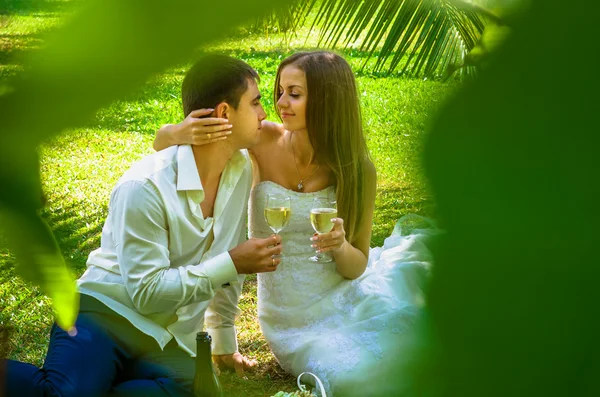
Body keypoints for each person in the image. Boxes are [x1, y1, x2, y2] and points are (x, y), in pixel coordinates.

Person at [155, 51, 436, 396]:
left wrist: (340, 246)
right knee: (355, 379)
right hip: (288, 319)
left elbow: (357, 265)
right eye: (279, 91)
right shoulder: (262, 140)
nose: (280, 103)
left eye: (295, 94)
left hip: (343, 297)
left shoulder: (357, 168)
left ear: (328, 100)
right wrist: (176, 130)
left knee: (418, 353)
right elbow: (163, 143)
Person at [3, 54, 284, 397]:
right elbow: (147, 292)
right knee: (63, 394)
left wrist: (223, 342)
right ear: (225, 113)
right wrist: (232, 262)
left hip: (164, 336)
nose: (264, 113)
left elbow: (224, 261)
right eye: (255, 103)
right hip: (104, 312)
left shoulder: (239, 170)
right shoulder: (144, 187)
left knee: (200, 390)